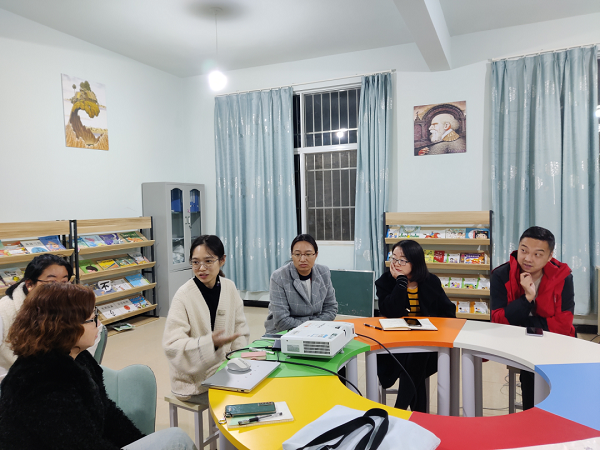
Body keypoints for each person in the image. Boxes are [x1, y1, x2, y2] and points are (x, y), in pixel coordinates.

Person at [0, 283, 196, 450]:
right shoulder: (39, 382)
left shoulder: (78, 358)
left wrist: (140, 441)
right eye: (93, 318)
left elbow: (108, 414)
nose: (99, 323)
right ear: (65, 325)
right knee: (177, 439)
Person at [491, 226, 574, 410]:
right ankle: (533, 417)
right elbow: (497, 321)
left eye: (537, 254)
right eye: (524, 250)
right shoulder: (502, 275)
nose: (528, 258)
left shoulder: (562, 277)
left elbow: (563, 325)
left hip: (555, 343)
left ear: (550, 256)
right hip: (520, 344)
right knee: (531, 375)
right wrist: (527, 298)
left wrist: (522, 324)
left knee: (559, 388)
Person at [163, 235, 250, 403]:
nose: (201, 268)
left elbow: (240, 328)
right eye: (195, 262)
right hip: (193, 381)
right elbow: (172, 346)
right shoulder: (183, 295)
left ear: (222, 260)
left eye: (208, 261)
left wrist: (237, 359)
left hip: (225, 369)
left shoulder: (229, 287)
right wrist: (210, 345)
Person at [376, 240, 456, 412]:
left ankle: (399, 410)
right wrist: (401, 282)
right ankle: (414, 414)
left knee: (419, 356)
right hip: (395, 346)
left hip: (428, 344)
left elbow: (449, 312)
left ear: (416, 262)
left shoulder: (431, 282)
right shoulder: (385, 282)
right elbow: (390, 311)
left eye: (402, 260)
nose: (396, 263)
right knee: (417, 363)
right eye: (394, 258)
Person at [0, 254, 105, 380]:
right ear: (29, 284)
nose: (60, 289)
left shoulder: (69, 308)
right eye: (51, 283)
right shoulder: (4, 311)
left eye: (64, 282)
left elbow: (87, 349)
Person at [264, 234, 338, 334]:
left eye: (308, 254)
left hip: (317, 329)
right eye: (297, 254)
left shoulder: (323, 272)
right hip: (285, 331)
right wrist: (312, 325)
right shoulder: (279, 277)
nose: (302, 259)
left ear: (316, 255)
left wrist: (313, 326)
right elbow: (282, 321)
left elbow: (331, 308)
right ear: (292, 255)